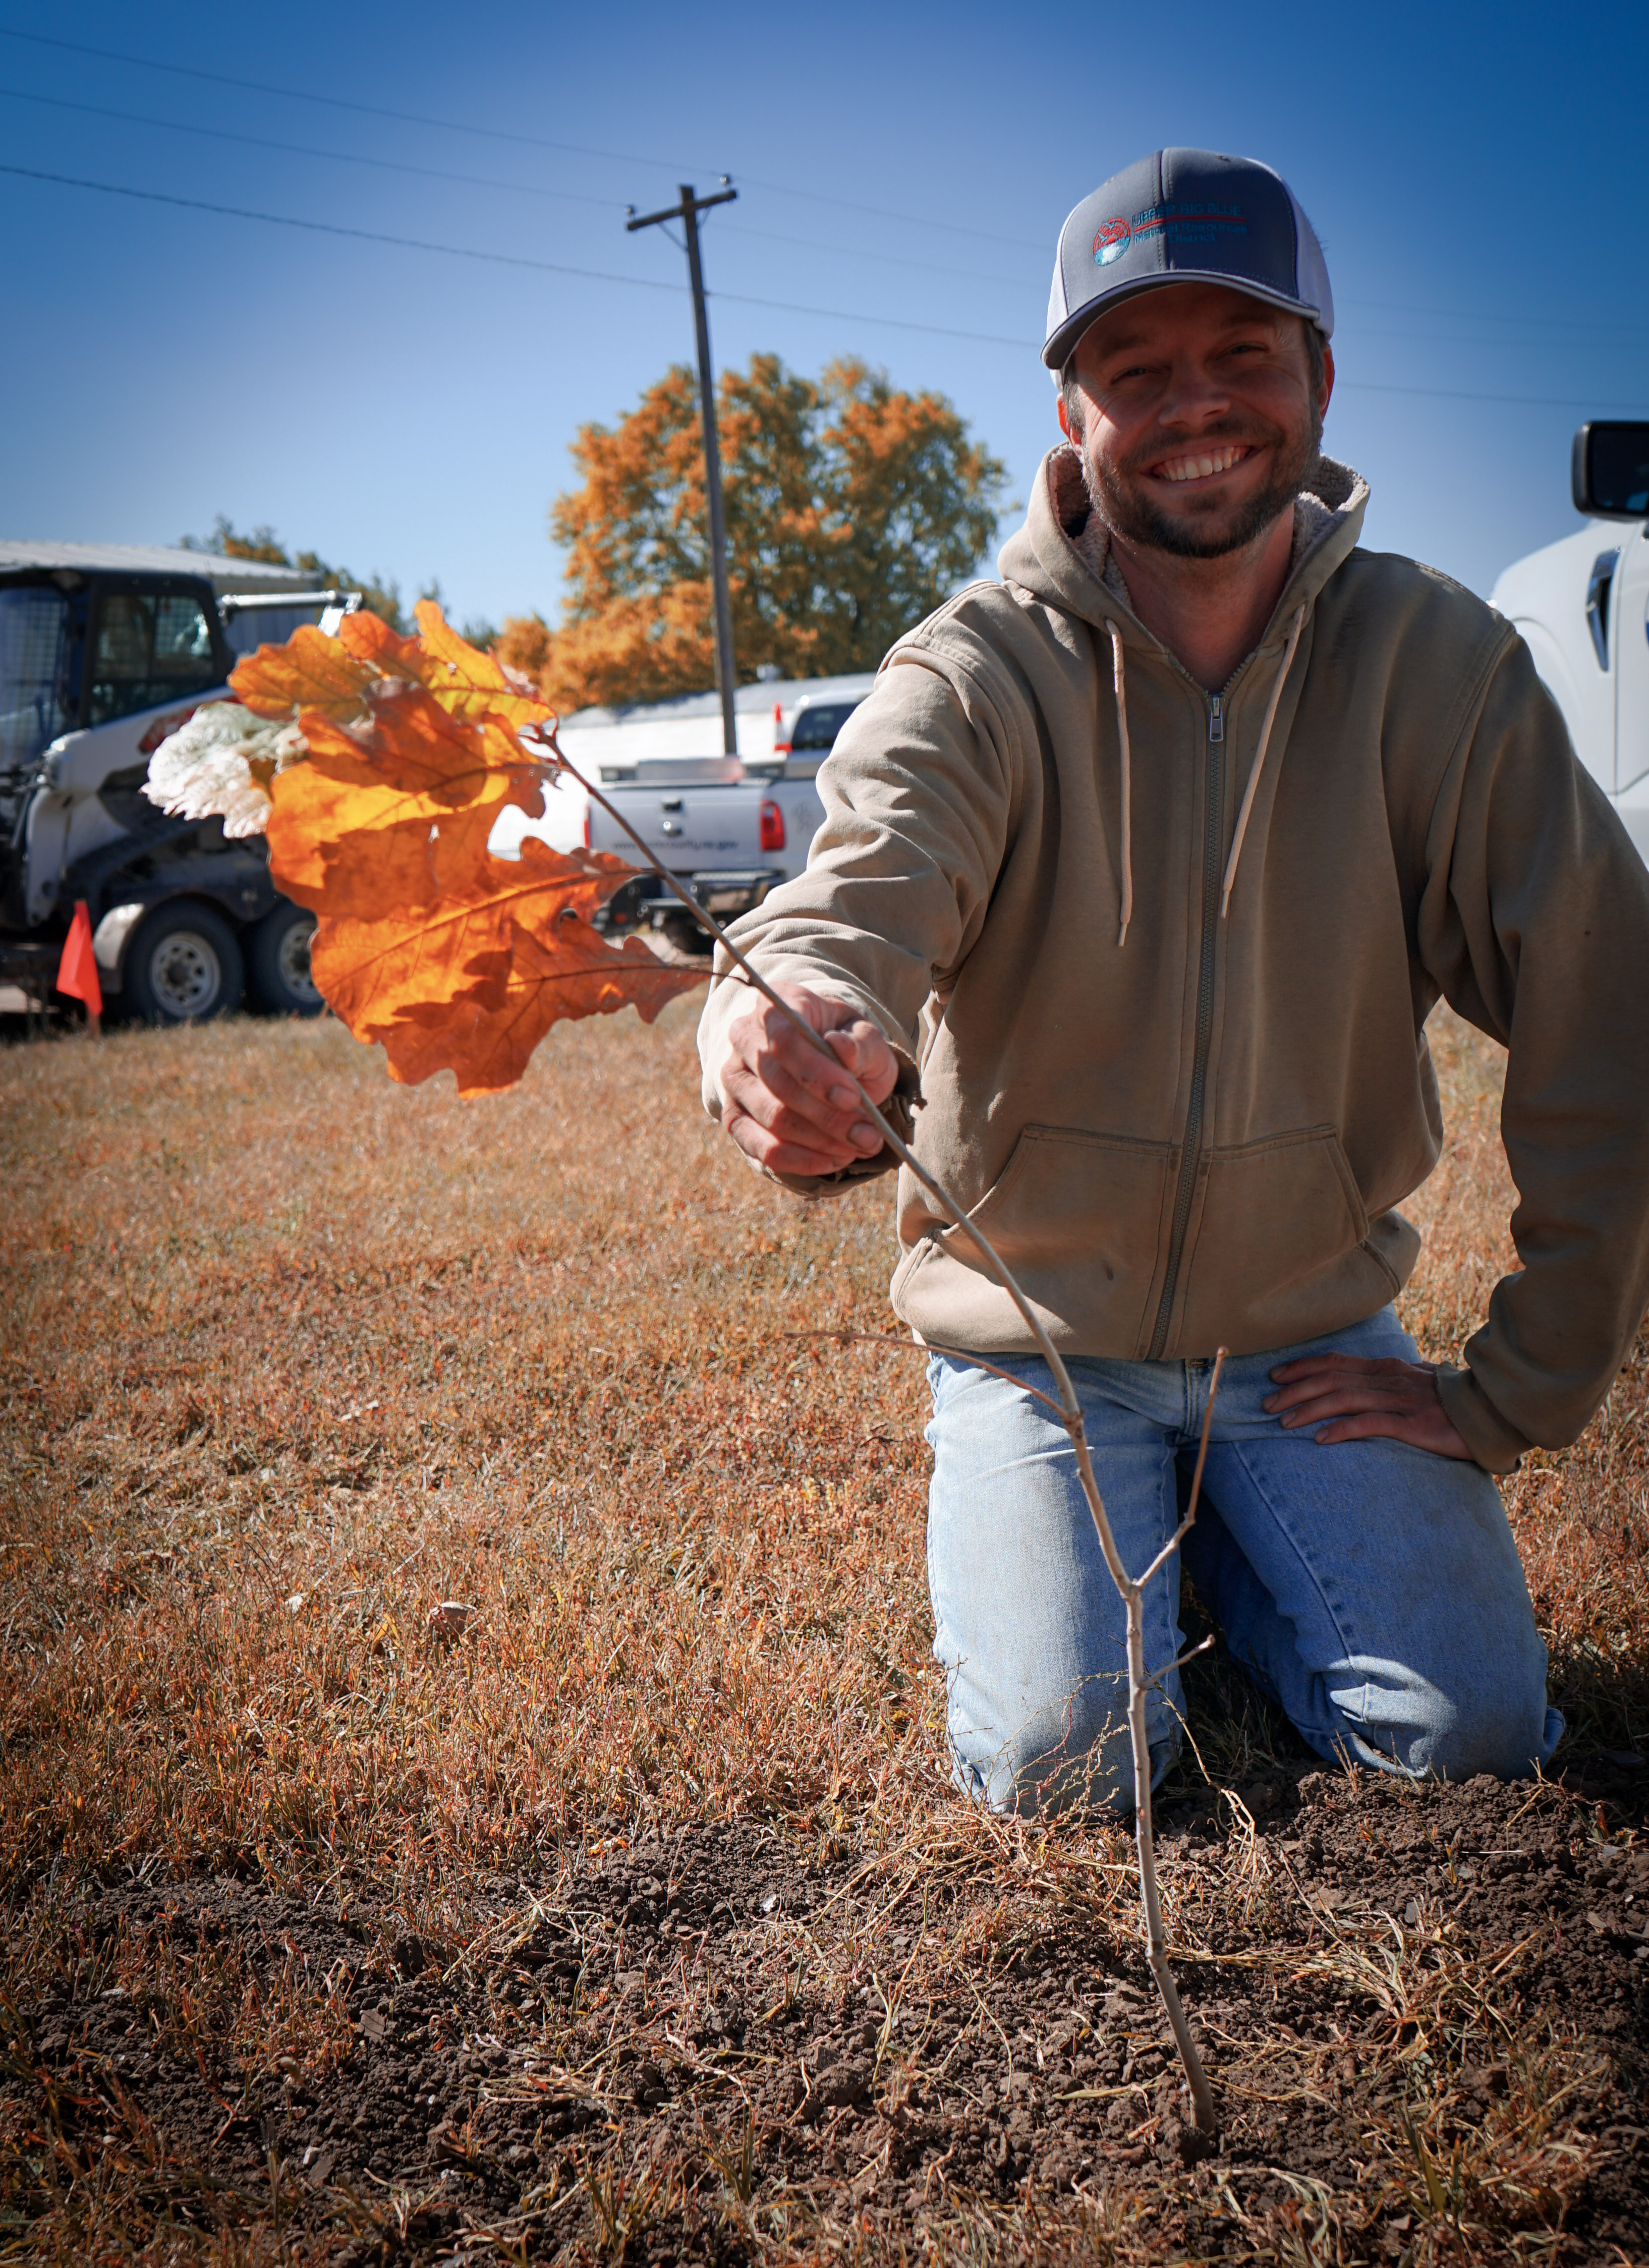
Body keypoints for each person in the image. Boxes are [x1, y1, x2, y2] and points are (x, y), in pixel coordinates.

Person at [695, 148, 1649, 1815]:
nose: (1196, 406)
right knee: (1062, 1771)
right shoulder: (974, 672)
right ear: (1070, 411)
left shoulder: (1440, 671)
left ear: (1322, 381)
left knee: (1470, 1742)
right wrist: (780, 1017)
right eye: (1138, 371)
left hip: (1304, 1338)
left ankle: (1215, 1535)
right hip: (1040, 1346)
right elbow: (853, 894)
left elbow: (1607, 1002)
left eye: (1243, 357)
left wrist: (1515, 1389)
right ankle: (1125, 1532)